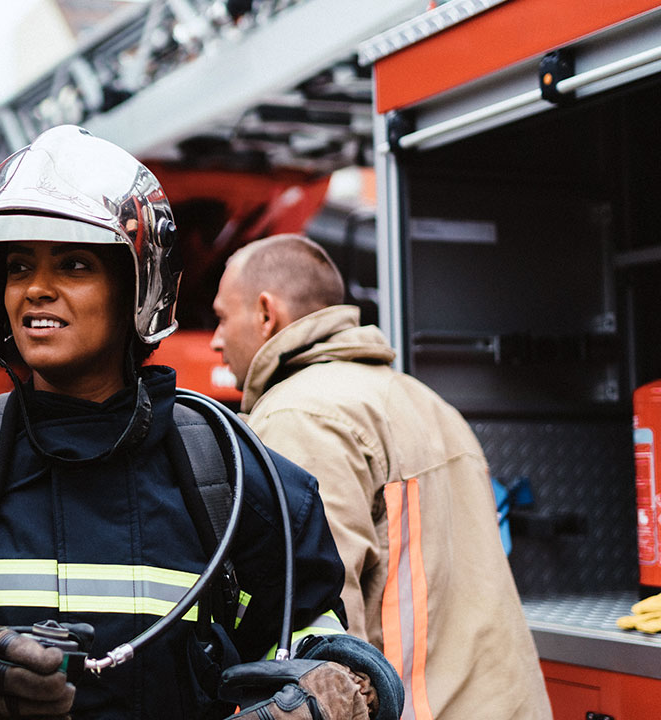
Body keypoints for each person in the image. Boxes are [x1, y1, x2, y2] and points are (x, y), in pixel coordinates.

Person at [0, 126, 401, 720]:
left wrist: (343, 688)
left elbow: (315, 639)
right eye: (19, 267)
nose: (36, 290)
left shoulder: (238, 480)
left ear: (138, 289)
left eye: (72, 264)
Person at [209, 233, 551, 720]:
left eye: (222, 317)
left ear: (266, 314)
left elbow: (322, 647)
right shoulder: (424, 400)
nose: (215, 339)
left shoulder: (300, 416)